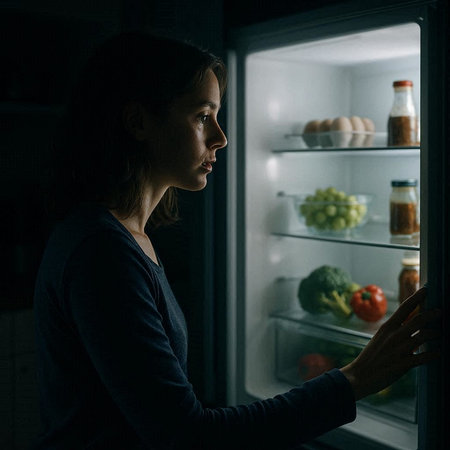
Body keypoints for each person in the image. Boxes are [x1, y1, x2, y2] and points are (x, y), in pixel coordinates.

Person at [33, 31, 440, 450]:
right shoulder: (101, 254)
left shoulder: (124, 237)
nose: (220, 138)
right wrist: (353, 380)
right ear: (139, 122)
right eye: (202, 116)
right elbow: (188, 435)